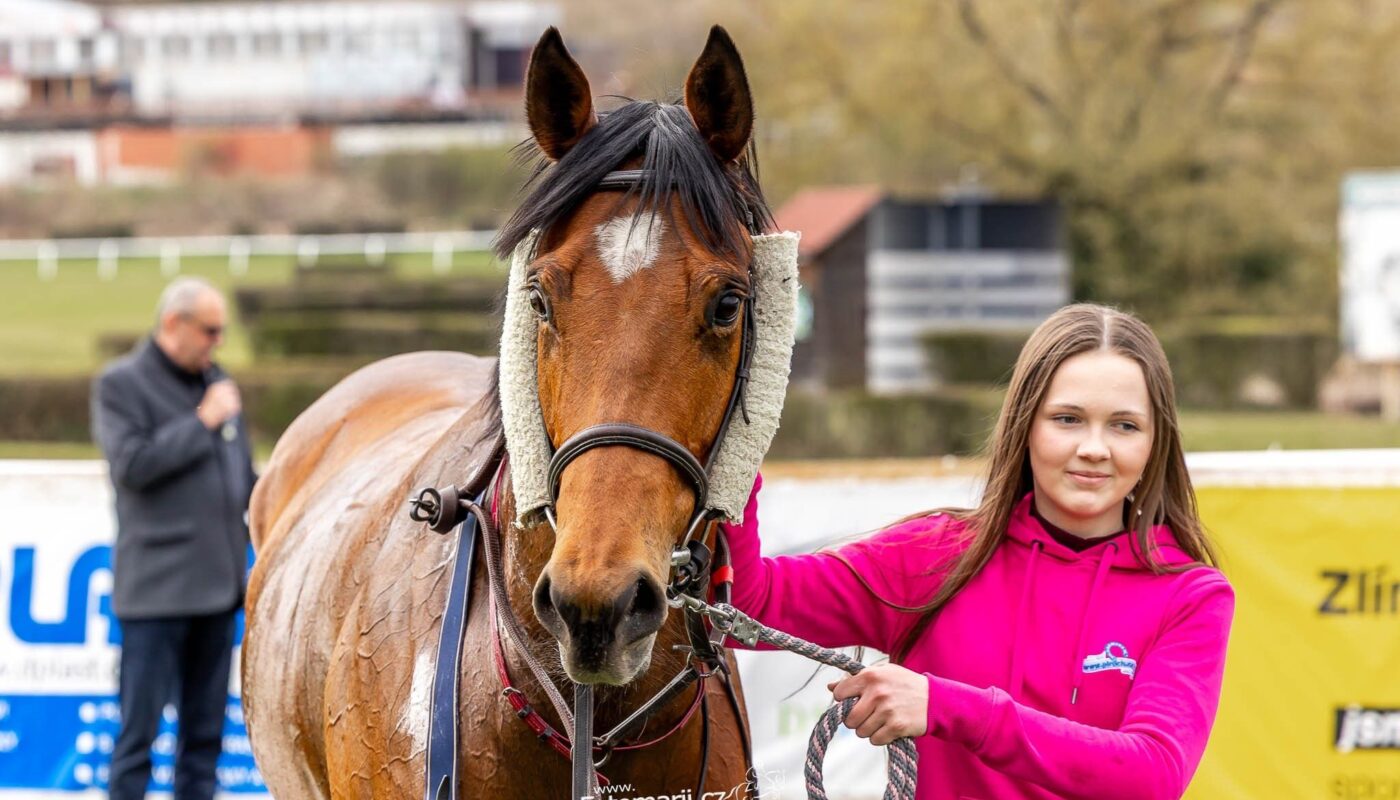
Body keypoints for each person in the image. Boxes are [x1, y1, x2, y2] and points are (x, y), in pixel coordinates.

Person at [723, 303, 1234, 800]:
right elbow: (746, 607)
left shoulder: (1190, 596)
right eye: (1068, 419)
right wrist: (739, 453)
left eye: (1124, 425)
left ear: (1154, 443)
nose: (1095, 448)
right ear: (1026, 426)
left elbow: (1153, 774)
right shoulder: (931, 557)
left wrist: (944, 705)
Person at [90, 277, 256, 800]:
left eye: (222, 331)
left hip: (217, 593)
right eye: (209, 330)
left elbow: (241, 480)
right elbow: (132, 466)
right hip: (156, 597)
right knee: (138, 738)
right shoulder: (122, 384)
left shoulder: (217, 381)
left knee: (204, 739)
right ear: (172, 325)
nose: (217, 342)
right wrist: (202, 421)